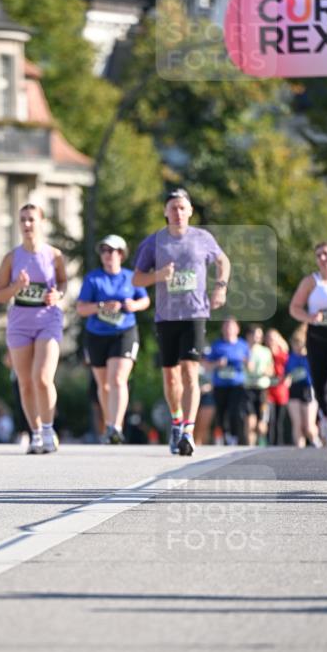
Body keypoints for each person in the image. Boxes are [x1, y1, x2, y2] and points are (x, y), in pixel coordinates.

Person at [132, 188, 230, 456]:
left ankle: (188, 429)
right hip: (167, 317)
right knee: (170, 376)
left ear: (190, 211)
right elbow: (137, 279)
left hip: (195, 313)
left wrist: (220, 287)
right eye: (172, 207)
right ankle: (176, 419)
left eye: (182, 207)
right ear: (165, 212)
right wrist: (159, 275)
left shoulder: (203, 238)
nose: (177, 212)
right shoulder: (154, 242)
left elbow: (223, 261)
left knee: (189, 371)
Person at [0, 203, 67, 454]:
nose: (26, 224)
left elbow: (64, 283)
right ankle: (35, 432)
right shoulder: (12, 258)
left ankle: (48, 429)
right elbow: (0, 295)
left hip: (48, 319)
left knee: (43, 378)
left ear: (41, 222)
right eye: (22, 219)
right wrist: (17, 286)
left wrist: (58, 294)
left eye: (31, 219)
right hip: (20, 322)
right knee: (25, 382)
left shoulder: (54, 255)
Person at [76, 234, 149, 444]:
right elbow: (81, 308)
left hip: (124, 332)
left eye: (112, 251)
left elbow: (144, 300)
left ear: (121, 254)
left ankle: (116, 426)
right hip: (97, 335)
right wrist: (101, 306)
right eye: (104, 251)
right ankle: (109, 424)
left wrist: (131, 305)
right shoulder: (93, 278)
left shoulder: (131, 276)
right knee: (104, 384)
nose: (108, 255)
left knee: (118, 379)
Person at [289, 241, 327, 448]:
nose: (322, 259)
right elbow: (294, 308)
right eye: (318, 255)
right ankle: (325, 414)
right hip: (316, 337)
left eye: (326, 254)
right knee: (319, 383)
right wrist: (309, 316)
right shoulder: (311, 282)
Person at [205, 317, 249, 445]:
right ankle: (224, 436)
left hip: (237, 385)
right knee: (221, 413)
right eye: (226, 326)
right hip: (220, 385)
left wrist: (245, 361)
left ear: (237, 329)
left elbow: (250, 366)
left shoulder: (243, 345)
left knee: (235, 411)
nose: (228, 329)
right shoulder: (217, 345)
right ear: (223, 329)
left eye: (231, 326)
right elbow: (207, 365)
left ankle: (235, 437)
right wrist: (218, 364)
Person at [284, 326, 319, 448]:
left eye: (299, 344)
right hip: (294, 390)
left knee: (309, 426)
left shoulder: (309, 357)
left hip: (308, 390)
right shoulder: (289, 358)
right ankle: (299, 452)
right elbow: (286, 374)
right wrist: (286, 379)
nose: (297, 347)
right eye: (294, 344)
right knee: (297, 424)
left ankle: (316, 441)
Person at [243, 324, 273, 446]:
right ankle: (250, 447)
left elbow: (271, 369)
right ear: (249, 336)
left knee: (261, 424)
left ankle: (261, 446)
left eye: (260, 335)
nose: (258, 338)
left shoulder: (265, 351)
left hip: (262, 390)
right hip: (248, 388)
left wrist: (267, 371)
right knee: (250, 422)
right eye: (255, 335)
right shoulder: (244, 350)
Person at [265, 328, 290, 446]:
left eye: (273, 337)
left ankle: (279, 444)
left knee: (280, 420)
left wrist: (288, 378)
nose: (271, 340)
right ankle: (269, 443)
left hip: (281, 390)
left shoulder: (283, 354)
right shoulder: (264, 353)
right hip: (267, 391)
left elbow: (289, 369)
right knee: (271, 419)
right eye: (269, 338)